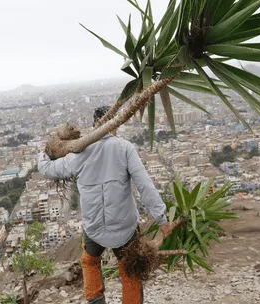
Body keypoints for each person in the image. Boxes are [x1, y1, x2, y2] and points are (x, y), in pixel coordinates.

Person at [38, 106, 172, 304]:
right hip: (125, 228)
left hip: (94, 227)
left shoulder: (79, 153)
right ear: (114, 125)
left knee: (90, 263)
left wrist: (48, 149)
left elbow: (47, 168)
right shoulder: (124, 148)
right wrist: (161, 219)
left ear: (95, 125)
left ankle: (95, 301)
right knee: (130, 269)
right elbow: (145, 185)